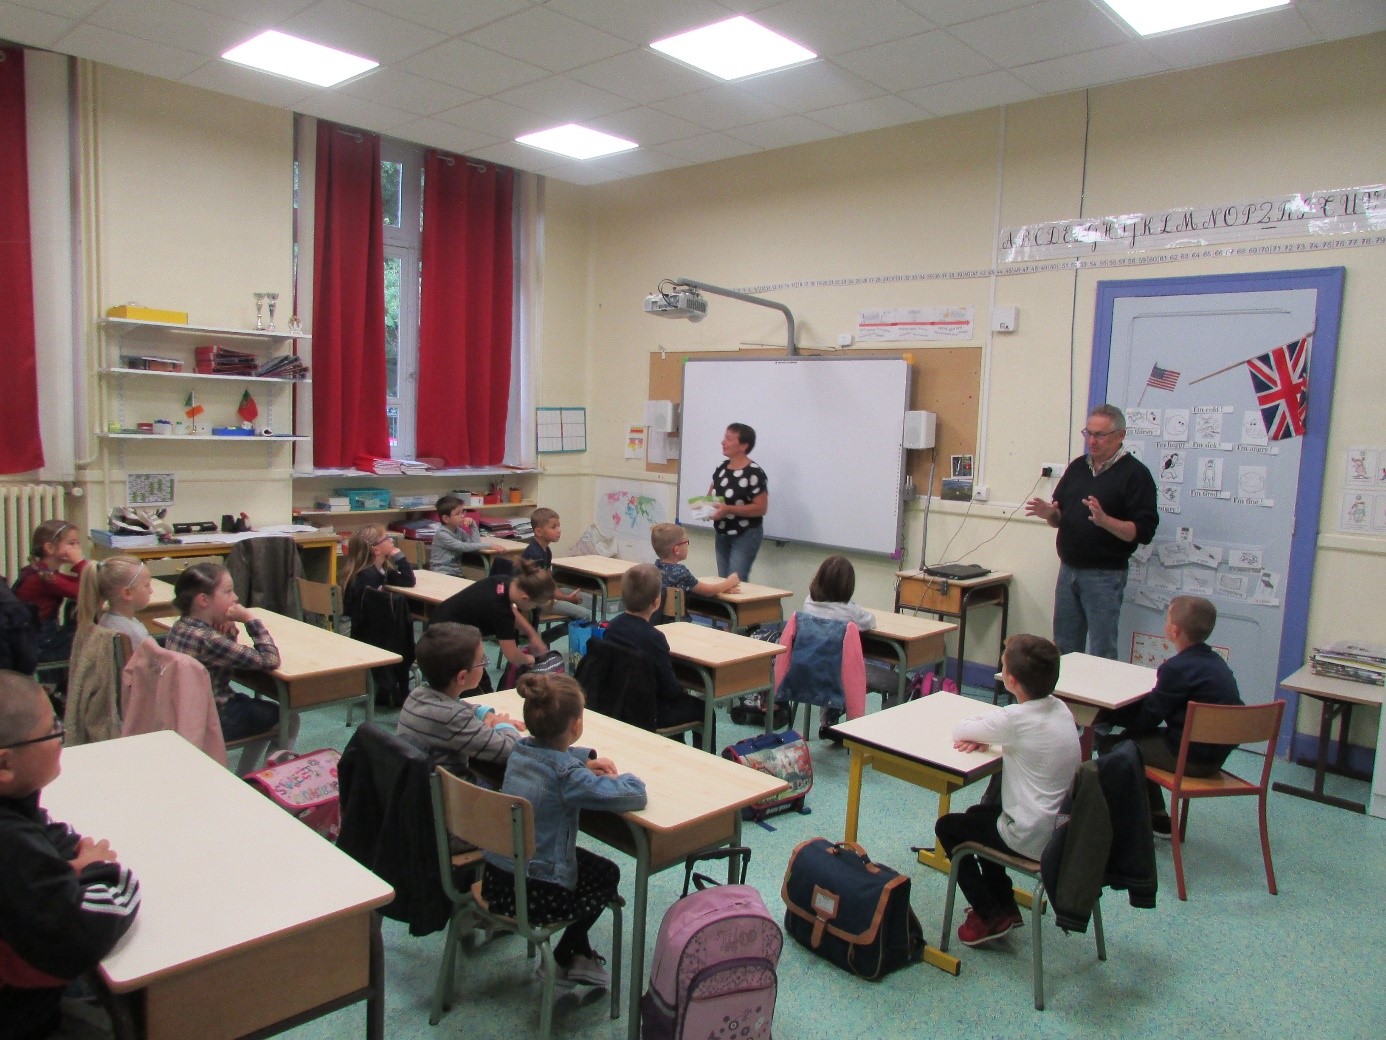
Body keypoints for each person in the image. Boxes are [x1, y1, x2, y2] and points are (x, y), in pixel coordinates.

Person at [480, 673, 647, 989]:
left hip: (496, 880)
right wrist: (626, 775)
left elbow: (553, 758)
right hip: (535, 895)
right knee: (607, 874)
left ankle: (579, 953)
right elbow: (634, 796)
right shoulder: (567, 776)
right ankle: (563, 954)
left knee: (587, 864)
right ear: (576, 726)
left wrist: (583, 759)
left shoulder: (519, 751)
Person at [0, 670, 141, 1040]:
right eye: (52, 729)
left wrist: (62, 868)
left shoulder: (13, 811)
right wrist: (98, 868)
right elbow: (86, 929)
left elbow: (42, 829)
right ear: (4, 765)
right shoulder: (9, 844)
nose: (62, 737)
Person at [935, 634, 1079, 947]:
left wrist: (991, 733)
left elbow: (962, 729)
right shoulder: (1062, 709)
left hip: (1031, 837)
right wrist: (997, 735)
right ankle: (1005, 903)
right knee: (979, 815)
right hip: (1062, 832)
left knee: (948, 827)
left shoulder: (1015, 719)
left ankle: (988, 914)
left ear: (1010, 681)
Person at [1098, 595, 1244, 836]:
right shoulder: (1217, 663)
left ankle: (1133, 822)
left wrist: (1109, 715)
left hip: (1191, 757)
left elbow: (1147, 719)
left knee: (1115, 744)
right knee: (1139, 741)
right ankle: (1157, 816)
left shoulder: (1176, 668)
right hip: (1215, 755)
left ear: (1174, 630)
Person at [1025, 404, 1158, 659]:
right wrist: (1049, 514)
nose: (1092, 441)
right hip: (1068, 570)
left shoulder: (1136, 475)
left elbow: (1143, 532)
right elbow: (1059, 517)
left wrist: (1106, 521)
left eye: (1100, 435)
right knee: (1063, 644)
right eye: (1088, 434)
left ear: (1120, 436)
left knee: (1102, 648)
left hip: (1105, 576)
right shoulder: (1077, 468)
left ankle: (1098, 699)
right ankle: (1064, 697)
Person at [163, 562, 297, 772]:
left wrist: (230, 628)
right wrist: (250, 619)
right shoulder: (208, 639)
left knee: (259, 713)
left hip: (186, 712)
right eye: (228, 591)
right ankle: (267, 780)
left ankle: (246, 774)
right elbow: (270, 659)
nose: (235, 597)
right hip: (214, 716)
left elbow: (226, 653)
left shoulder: (181, 626)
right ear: (203, 600)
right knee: (289, 717)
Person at [396, 622, 525, 783]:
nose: (485, 664)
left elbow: (455, 708)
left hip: (422, 788)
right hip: (455, 799)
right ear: (462, 677)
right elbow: (512, 750)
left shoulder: (417, 694)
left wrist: (483, 714)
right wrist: (503, 725)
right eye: (482, 660)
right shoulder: (453, 717)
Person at [600, 563, 707, 744]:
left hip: (618, 702)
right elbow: (671, 690)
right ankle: (703, 763)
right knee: (704, 709)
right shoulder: (655, 638)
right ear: (657, 602)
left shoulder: (611, 627)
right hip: (649, 712)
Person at [429, 560, 555, 680]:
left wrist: (531, 633)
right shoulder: (501, 613)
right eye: (536, 605)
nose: (535, 608)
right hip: (446, 642)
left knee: (480, 678)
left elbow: (512, 611)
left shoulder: (503, 582)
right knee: (478, 688)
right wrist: (529, 659)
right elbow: (512, 655)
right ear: (525, 598)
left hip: (439, 621)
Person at [13, 521, 88, 667]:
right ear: (49, 548)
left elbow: (82, 584)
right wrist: (80, 563)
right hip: (39, 643)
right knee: (92, 644)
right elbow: (87, 590)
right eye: (72, 543)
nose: (77, 548)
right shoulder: (44, 578)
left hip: (34, 638)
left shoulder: (42, 571)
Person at [708, 422, 769, 580]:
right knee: (723, 582)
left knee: (736, 581)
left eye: (728, 438)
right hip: (722, 533)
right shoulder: (721, 468)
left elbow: (761, 508)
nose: (723, 442)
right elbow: (711, 496)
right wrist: (707, 509)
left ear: (743, 446)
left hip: (745, 534)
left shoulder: (754, 472)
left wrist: (728, 509)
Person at [651, 523, 738, 620]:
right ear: (677, 550)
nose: (687, 546)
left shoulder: (654, 570)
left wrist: (721, 588)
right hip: (679, 625)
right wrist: (729, 582)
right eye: (686, 542)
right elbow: (708, 591)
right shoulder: (680, 572)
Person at [339, 526, 417, 629]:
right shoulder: (366, 576)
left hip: (364, 623)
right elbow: (367, 613)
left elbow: (408, 580)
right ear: (376, 550)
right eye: (387, 538)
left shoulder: (382, 569)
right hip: (352, 626)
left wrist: (399, 558)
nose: (391, 540)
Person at [521, 508, 589, 621]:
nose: (559, 530)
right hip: (534, 601)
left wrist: (564, 597)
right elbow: (544, 589)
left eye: (558, 526)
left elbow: (549, 581)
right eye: (553, 527)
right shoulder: (534, 554)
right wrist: (565, 598)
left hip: (544, 594)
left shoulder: (546, 551)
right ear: (539, 532)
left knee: (580, 597)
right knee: (585, 614)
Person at [74, 556, 154, 648]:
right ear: (127, 593)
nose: (151, 591)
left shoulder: (105, 620)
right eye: (147, 585)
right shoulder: (134, 633)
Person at [800, 555, 875, 632]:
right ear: (848, 585)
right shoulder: (851, 611)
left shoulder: (808, 602)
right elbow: (870, 621)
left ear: (819, 579)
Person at [430, 494, 485, 577]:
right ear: (446, 518)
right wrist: (489, 545)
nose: (463, 516)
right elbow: (462, 546)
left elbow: (474, 544)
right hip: (441, 573)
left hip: (455, 573)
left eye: (463, 512)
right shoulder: (442, 534)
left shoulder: (458, 530)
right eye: (458, 513)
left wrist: (473, 525)